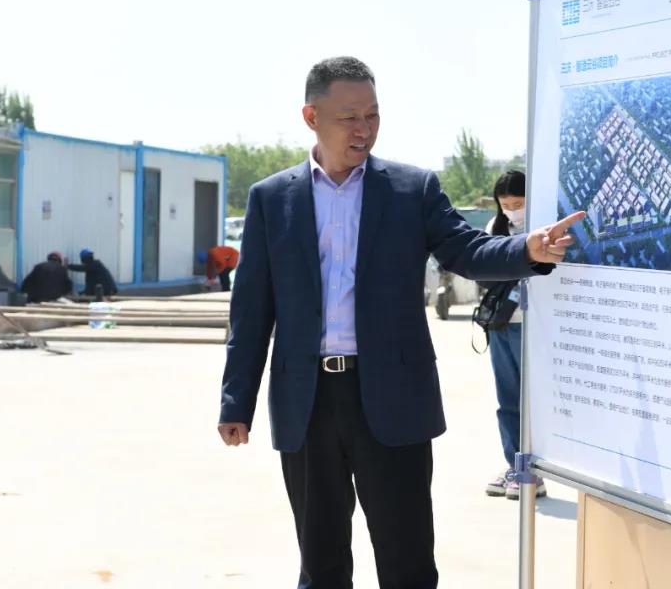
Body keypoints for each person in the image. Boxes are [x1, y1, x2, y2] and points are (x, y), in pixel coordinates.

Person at [217, 56, 583, 589]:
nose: (363, 129)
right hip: (307, 403)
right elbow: (251, 309)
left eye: (372, 115)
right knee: (320, 565)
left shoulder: (412, 190)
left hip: (392, 397)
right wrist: (236, 401)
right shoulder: (272, 198)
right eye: (349, 117)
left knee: (407, 562)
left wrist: (527, 249)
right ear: (311, 117)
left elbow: (467, 249)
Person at [479, 171, 546, 501]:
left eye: (518, 204)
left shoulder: (541, 228)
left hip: (533, 324)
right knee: (507, 399)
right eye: (505, 205)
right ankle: (513, 466)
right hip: (501, 324)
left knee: (530, 402)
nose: (511, 211)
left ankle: (534, 472)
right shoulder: (495, 226)